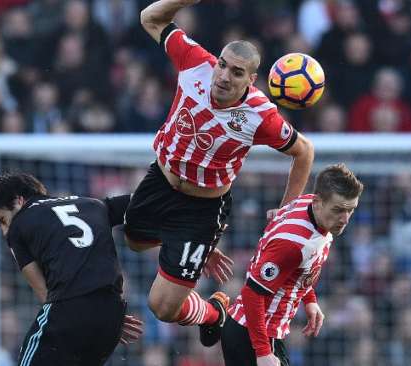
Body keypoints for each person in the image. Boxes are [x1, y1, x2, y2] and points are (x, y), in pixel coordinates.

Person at [124, 0, 315, 348]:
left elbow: (304, 152)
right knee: (133, 241)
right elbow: (149, 17)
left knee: (162, 307)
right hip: (160, 181)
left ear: (251, 80)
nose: (225, 76)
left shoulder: (261, 116)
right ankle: (193, 248)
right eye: (224, 66)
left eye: (237, 72)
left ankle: (214, 312)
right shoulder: (196, 62)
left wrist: (287, 212)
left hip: (201, 209)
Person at [0, 173, 143, 365]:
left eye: (2, 221)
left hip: (69, 312)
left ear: (18, 200)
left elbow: (45, 293)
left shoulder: (19, 225)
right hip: (112, 314)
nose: (5, 230)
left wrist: (83, 316)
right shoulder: (94, 203)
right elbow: (142, 199)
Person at [221, 163, 364, 366]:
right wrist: (262, 352)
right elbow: (251, 293)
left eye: (351, 210)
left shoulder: (307, 205)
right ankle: (212, 314)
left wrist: (310, 300)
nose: (345, 218)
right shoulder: (293, 244)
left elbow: (297, 270)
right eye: (339, 209)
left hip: (255, 331)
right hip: (253, 334)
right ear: (318, 202)